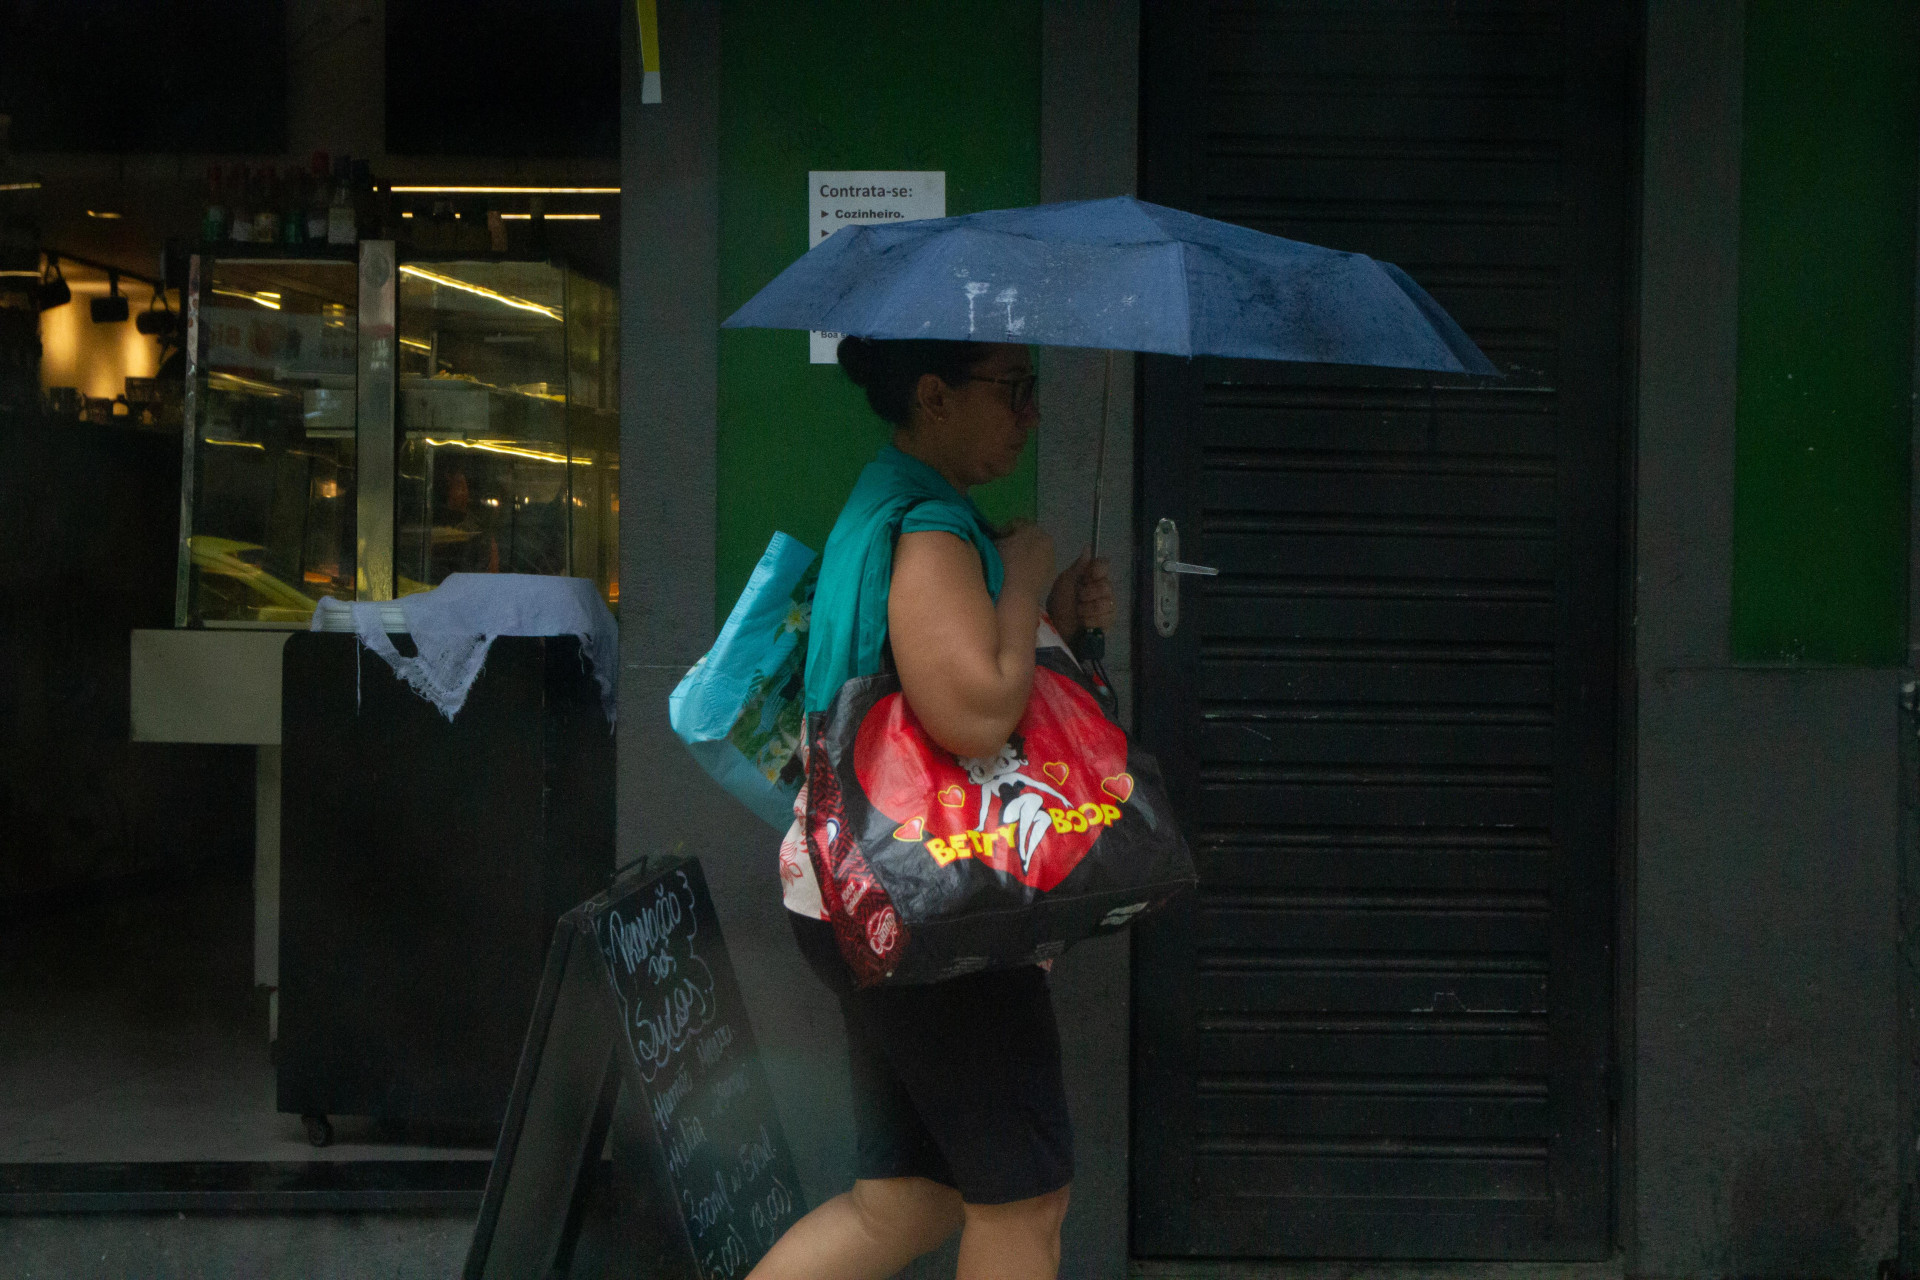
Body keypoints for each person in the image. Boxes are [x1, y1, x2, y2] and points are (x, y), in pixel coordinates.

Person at [748, 337, 1115, 1280]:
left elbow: (933, 672)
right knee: (1025, 1203)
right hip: (937, 909)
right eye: (1013, 388)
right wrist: (1023, 574)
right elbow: (974, 713)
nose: (1031, 413)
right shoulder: (931, 528)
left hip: (864, 895)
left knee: (907, 1200)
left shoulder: (892, 500)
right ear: (934, 396)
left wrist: (1048, 615)